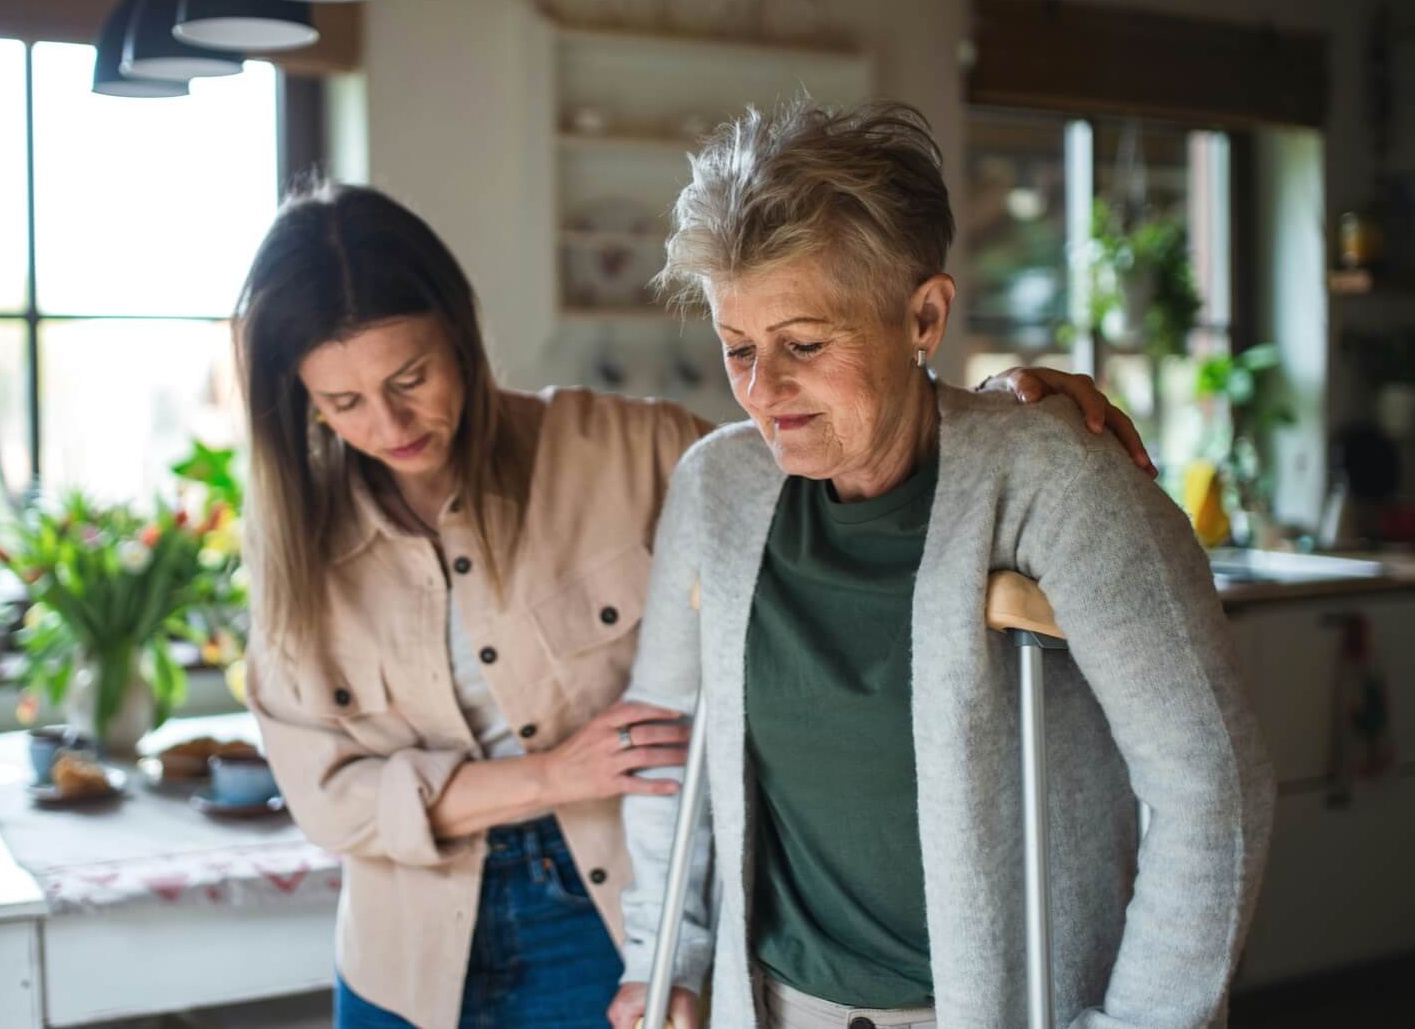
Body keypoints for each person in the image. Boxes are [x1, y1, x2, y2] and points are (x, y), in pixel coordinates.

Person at [232, 179, 1152, 1029]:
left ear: (460, 336)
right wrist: (556, 776)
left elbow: (817, 438)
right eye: (342, 402)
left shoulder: (632, 451)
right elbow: (327, 801)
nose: (388, 427)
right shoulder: (293, 552)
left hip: (606, 921)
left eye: (410, 379)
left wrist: (979, 413)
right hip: (405, 953)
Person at [610, 99, 1275, 1029]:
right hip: (762, 1006)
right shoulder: (718, 486)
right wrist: (665, 957)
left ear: (923, 314)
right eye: (737, 348)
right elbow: (664, 755)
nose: (764, 391)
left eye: (804, 344)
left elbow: (1210, 782)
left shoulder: (1057, 479)